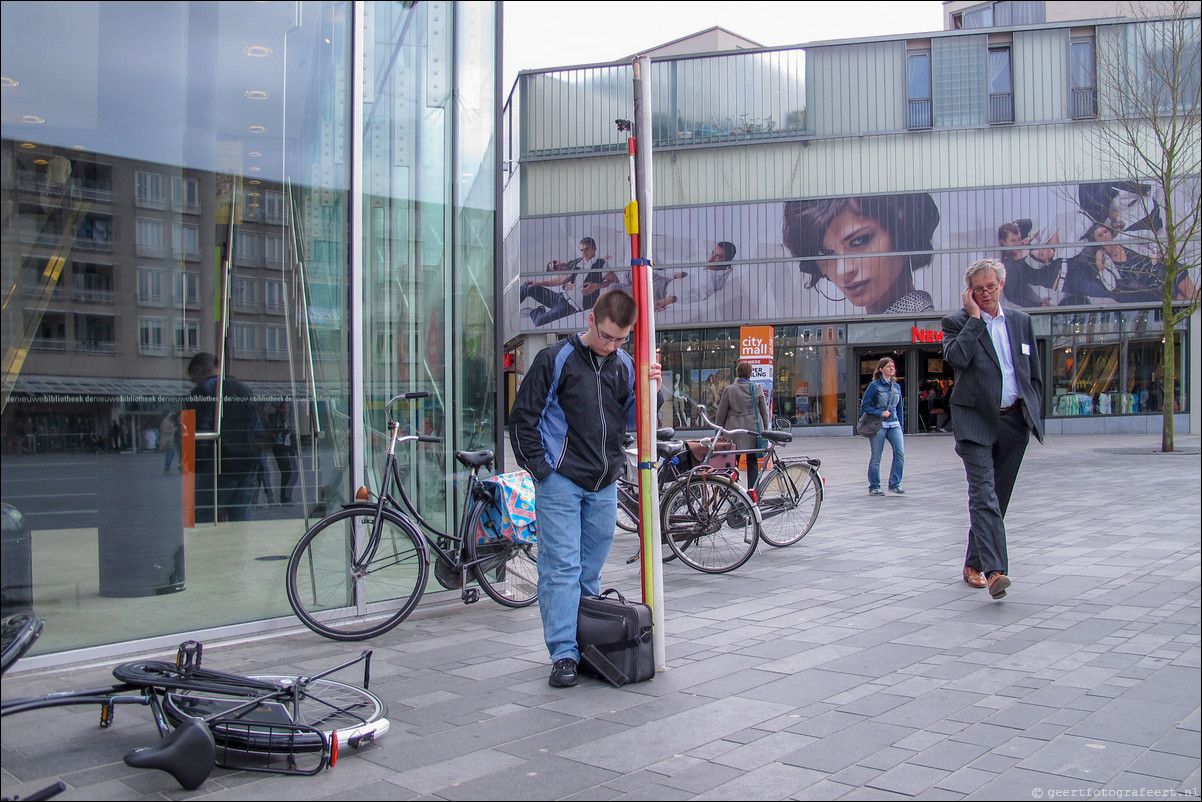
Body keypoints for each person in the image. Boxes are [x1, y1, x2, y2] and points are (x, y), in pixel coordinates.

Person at [508, 289, 660, 688]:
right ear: (591, 320)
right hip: (560, 479)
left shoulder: (624, 364)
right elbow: (523, 418)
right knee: (561, 567)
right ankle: (563, 653)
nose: (611, 346)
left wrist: (652, 392)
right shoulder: (554, 358)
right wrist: (542, 470)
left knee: (588, 570)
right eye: (607, 336)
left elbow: (636, 419)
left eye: (620, 339)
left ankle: (585, 642)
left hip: (603, 481)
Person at [942, 258, 1044, 601]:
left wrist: (1032, 410)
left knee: (997, 499)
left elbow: (1031, 372)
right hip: (975, 423)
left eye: (991, 286)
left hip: (1014, 422)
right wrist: (974, 319)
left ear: (1001, 285)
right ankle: (995, 571)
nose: (986, 293)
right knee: (983, 494)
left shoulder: (1021, 321)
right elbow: (957, 358)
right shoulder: (956, 322)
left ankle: (973, 563)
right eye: (979, 288)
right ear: (969, 291)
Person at [782, 193, 940, 315]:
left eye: (859, 241)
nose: (842, 270)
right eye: (824, 252)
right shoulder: (871, 332)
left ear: (903, 233)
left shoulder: (915, 331)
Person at [186, 352, 264, 523]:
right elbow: (257, 429)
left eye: (193, 377)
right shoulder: (244, 389)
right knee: (240, 522)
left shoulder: (202, 392)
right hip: (246, 465)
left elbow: (197, 434)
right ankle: (236, 550)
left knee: (204, 520)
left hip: (216, 467)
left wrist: (194, 466)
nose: (194, 381)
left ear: (199, 370)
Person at [713, 361, 770, 497]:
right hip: (752, 430)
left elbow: (721, 413)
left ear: (737, 373)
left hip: (734, 431)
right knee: (752, 462)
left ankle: (731, 489)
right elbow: (764, 411)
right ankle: (752, 492)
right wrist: (765, 428)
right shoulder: (756, 388)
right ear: (750, 373)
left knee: (733, 461)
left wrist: (718, 433)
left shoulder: (730, 390)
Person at [859, 357, 905, 495]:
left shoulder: (896, 387)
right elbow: (865, 406)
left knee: (900, 453)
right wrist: (880, 412)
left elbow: (900, 408)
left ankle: (895, 484)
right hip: (879, 425)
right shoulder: (874, 386)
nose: (892, 368)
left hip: (894, 423)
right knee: (876, 456)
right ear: (881, 369)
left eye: (893, 366)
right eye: (888, 366)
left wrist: (901, 427)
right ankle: (874, 486)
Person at [997, 220, 1065, 308]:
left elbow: (1028, 223)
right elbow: (1012, 296)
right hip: (1062, 280)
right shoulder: (1011, 267)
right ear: (1002, 242)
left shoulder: (1022, 243)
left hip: (1067, 261)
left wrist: (1015, 225)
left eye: (1019, 239)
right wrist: (1037, 306)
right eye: (1013, 241)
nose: (1017, 244)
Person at [654, 242, 737, 311]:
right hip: (664, 280)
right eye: (712, 253)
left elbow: (697, 294)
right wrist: (676, 275)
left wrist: (670, 299)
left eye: (718, 257)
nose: (711, 259)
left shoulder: (711, 280)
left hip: (660, 290)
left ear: (726, 261)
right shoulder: (712, 268)